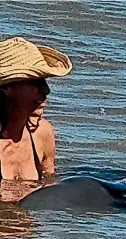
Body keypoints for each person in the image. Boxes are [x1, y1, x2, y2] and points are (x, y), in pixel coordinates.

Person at [0, 37, 72, 196]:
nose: (46, 90)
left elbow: (48, 190)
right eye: (36, 82)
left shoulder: (42, 134)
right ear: (7, 87)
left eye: (45, 82)